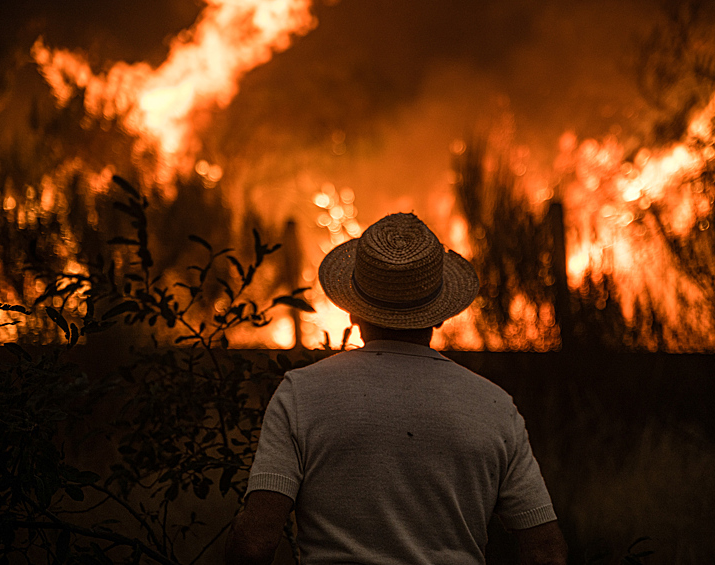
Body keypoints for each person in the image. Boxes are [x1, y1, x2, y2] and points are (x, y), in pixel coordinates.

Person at [225, 213, 566, 565]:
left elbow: (255, 541)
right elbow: (545, 550)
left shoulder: (301, 394)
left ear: (353, 312)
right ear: (439, 315)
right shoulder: (495, 406)